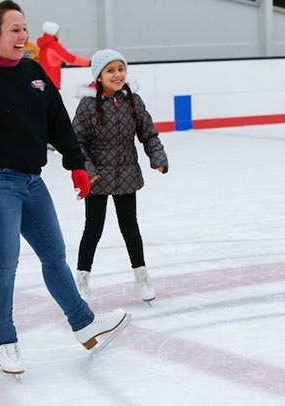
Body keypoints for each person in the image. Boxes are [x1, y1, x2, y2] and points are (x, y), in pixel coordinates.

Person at [0, 0, 129, 378]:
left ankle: (85, 324)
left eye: (24, 28)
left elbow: (57, 121)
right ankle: (4, 341)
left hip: (32, 180)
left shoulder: (33, 71)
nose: (23, 36)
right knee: (4, 264)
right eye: (14, 29)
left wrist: (76, 163)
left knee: (54, 255)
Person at [72, 49, 168, 304]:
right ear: (99, 76)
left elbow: (148, 133)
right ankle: (81, 279)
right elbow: (77, 143)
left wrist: (157, 157)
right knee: (93, 228)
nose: (117, 75)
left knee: (130, 227)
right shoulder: (87, 105)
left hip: (126, 172)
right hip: (98, 177)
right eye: (110, 70)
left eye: (120, 69)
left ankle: (141, 276)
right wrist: (89, 172)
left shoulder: (133, 101)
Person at [36, 21, 90, 89]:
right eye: (57, 32)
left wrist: (60, 62)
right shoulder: (53, 45)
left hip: (44, 81)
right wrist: (88, 62)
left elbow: (49, 60)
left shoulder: (44, 45)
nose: (59, 34)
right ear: (53, 33)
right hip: (52, 82)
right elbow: (70, 59)